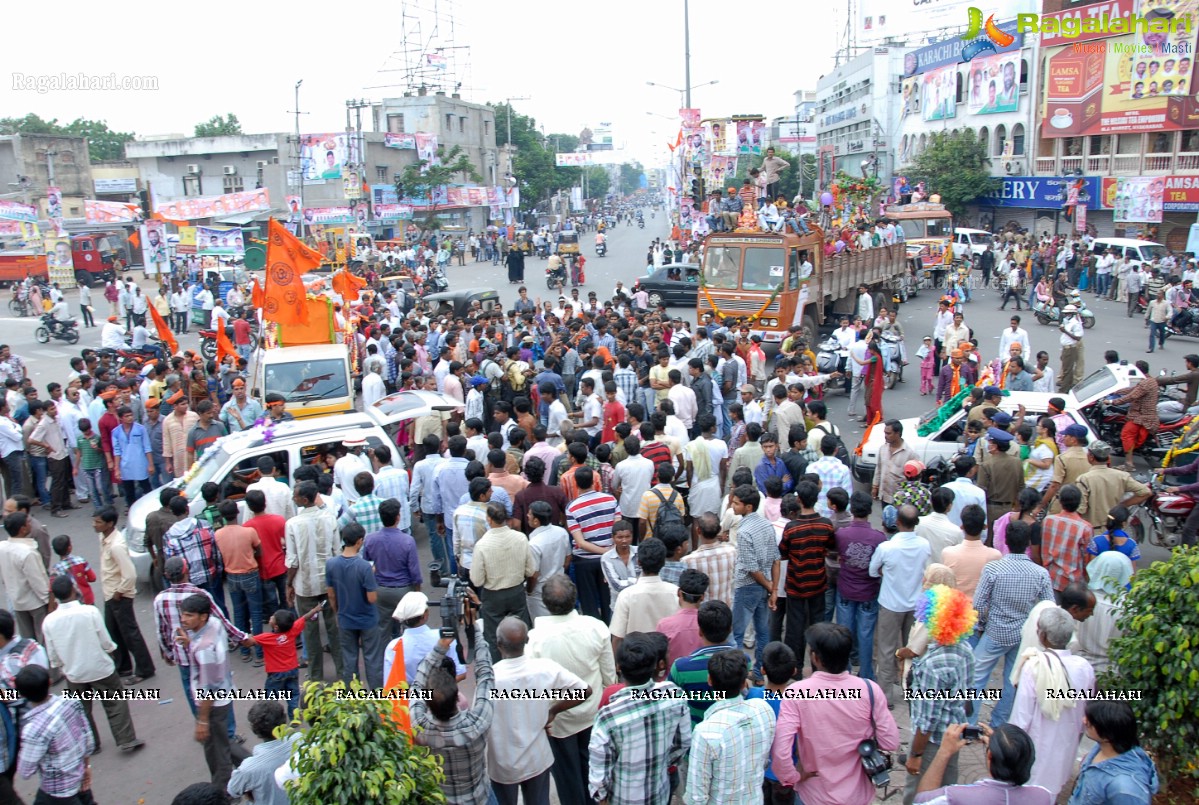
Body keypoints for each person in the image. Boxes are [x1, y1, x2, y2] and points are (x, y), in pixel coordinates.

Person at [771, 622, 900, 805]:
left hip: (814, 794)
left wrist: (793, 776)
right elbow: (890, 741)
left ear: (815, 658)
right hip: (857, 795)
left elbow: (781, 753)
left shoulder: (796, 693)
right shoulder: (870, 690)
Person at [527, 575, 615, 805]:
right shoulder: (596, 627)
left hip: (559, 720)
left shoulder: (535, 640)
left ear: (545, 604)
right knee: (595, 770)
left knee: (568, 778)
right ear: (575, 599)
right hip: (594, 712)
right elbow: (609, 676)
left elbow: (535, 687)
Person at [488, 617, 589, 805]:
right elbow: (585, 690)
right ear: (527, 641)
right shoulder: (544, 668)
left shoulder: (490, 678)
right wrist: (554, 710)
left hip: (503, 762)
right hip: (537, 758)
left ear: (498, 644)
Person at [41, 575, 145, 755]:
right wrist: (111, 650)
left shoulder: (49, 621)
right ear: (73, 590)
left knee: (82, 709)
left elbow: (53, 655)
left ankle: (91, 743)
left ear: (55, 596)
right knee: (115, 702)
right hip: (100, 668)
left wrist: (63, 667)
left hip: (74, 673)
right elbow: (106, 641)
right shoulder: (89, 612)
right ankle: (126, 739)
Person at [588, 632, 693, 805]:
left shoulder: (608, 718)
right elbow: (683, 742)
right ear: (655, 666)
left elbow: (599, 775)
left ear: (619, 667)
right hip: (660, 792)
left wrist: (602, 798)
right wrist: (661, 764)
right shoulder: (675, 696)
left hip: (623, 798)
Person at [970, 521, 1054, 728]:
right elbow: (1048, 606)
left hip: (994, 631)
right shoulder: (1040, 573)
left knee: (976, 678)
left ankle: (969, 725)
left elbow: (979, 604)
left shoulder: (993, 569)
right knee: (1012, 681)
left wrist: (981, 625)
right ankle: (999, 724)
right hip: (1023, 634)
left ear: (1006, 542)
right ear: (1027, 543)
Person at [1009, 607, 1096, 797]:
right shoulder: (1084, 667)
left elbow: (1020, 718)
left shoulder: (1034, 666)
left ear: (1043, 636)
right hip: (1066, 746)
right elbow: (1085, 709)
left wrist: (1010, 747)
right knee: (1051, 793)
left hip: (1034, 749)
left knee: (1028, 794)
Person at [904, 584, 978, 805]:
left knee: (917, 794)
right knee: (946, 790)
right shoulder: (966, 650)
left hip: (932, 742)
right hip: (953, 734)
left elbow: (926, 721)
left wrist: (916, 755)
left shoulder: (932, 665)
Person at [410, 621, 495, 805]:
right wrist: (475, 630)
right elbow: (486, 676)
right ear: (458, 696)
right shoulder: (476, 724)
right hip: (478, 797)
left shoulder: (419, 727)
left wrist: (441, 646)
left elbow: (416, 684)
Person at [175, 594, 250, 791]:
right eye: (183, 615)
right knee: (220, 739)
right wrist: (189, 644)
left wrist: (202, 720)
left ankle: (222, 792)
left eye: (189, 615)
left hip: (214, 702)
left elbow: (208, 689)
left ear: (202, 617)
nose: (183, 619)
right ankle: (250, 763)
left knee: (217, 753)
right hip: (224, 691)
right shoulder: (214, 624)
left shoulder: (203, 648)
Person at [684, 649, 777, 803]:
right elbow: (764, 760)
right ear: (743, 683)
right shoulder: (763, 710)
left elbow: (696, 797)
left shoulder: (705, 732)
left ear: (709, 680)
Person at [869, 504, 932, 705]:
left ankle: (885, 695)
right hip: (915, 606)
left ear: (897, 523)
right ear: (917, 523)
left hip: (890, 604)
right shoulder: (924, 545)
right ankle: (912, 690)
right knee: (913, 649)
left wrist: (885, 573)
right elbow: (927, 571)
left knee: (886, 651)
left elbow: (872, 571)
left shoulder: (887, 548)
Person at [12, 664, 96, 805]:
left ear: (21, 694)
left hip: (57, 791)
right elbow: (87, 738)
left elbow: (25, 771)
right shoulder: (71, 702)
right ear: (50, 682)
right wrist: (86, 767)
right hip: (79, 776)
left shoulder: (34, 729)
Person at [285, 481, 343, 684]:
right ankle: (343, 673)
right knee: (334, 628)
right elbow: (337, 552)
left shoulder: (292, 524)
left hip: (305, 586)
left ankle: (316, 677)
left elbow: (292, 561)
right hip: (329, 585)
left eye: (296, 495)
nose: (293, 497)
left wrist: (289, 584)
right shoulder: (330, 519)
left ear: (304, 500)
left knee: (310, 632)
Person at [914, 723, 1054, 804]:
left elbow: (921, 801)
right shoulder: (1043, 796)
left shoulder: (954, 795)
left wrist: (943, 752)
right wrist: (1001, 744)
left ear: (989, 755)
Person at [94, 507, 156, 683]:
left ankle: (145, 669)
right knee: (113, 631)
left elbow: (130, 574)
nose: (95, 525)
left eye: (98, 522)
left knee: (130, 633)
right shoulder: (103, 538)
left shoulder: (116, 546)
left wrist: (119, 592)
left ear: (109, 524)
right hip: (110, 593)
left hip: (119, 595)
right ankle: (123, 667)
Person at [730, 485, 780, 676]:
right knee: (763, 632)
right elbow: (776, 560)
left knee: (738, 634)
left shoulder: (744, 533)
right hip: (764, 586)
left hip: (747, 587)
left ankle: (738, 676)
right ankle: (759, 673)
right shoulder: (767, 524)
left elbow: (751, 569)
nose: (733, 506)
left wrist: (770, 588)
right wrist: (773, 590)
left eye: (736, 503)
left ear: (748, 507)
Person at [1068, 700, 1159, 805]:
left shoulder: (1125, 788)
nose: (1084, 720)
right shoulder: (1102, 747)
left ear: (1108, 733)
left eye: (1092, 720)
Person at [227, 701, 299, 805]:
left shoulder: (248, 768)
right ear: (284, 719)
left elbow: (233, 791)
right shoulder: (301, 740)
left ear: (254, 729)